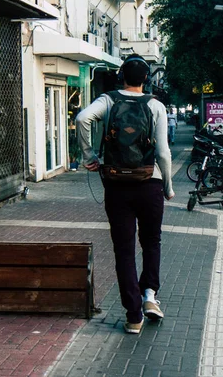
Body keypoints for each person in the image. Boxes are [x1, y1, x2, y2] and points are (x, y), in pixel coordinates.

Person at [75, 54, 174, 334]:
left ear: (121, 77)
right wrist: (167, 186)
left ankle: (133, 317)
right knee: (152, 241)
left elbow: (82, 118)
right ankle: (150, 296)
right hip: (149, 182)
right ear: (146, 79)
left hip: (117, 184)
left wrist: (89, 156)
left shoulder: (107, 100)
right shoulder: (155, 105)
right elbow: (164, 153)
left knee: (124, 250)